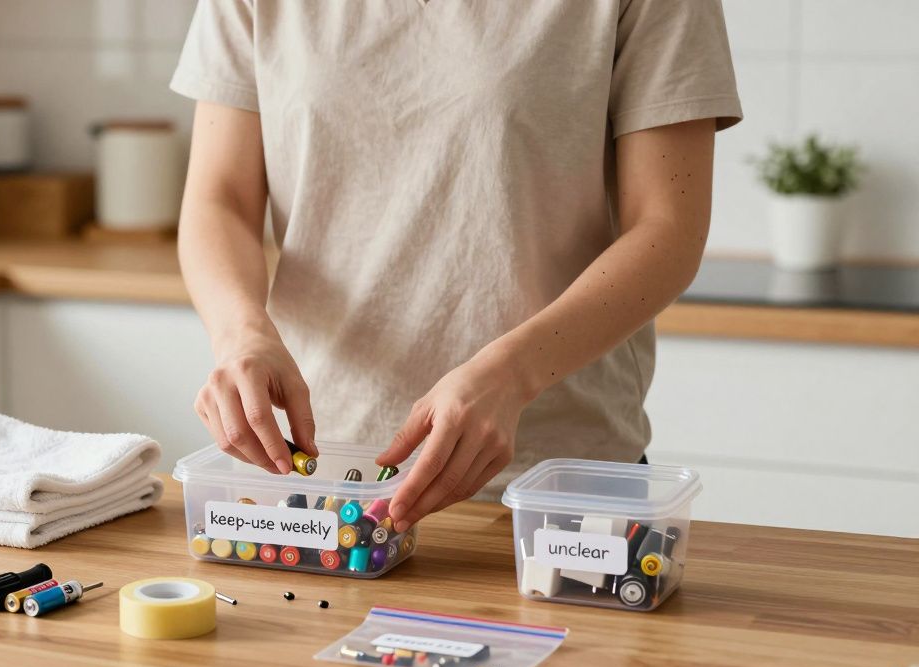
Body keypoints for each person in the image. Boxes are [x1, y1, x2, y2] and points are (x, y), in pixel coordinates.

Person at [171, 1, 741, 533]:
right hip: (315, 479)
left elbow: (668, 230)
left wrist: (511, 374)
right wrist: (241, 336)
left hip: (553, 488)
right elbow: (219, 199)